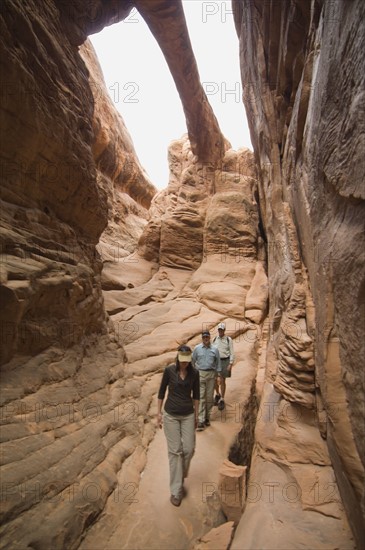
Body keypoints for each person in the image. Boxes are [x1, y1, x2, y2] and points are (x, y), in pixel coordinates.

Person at [157, 345, 200, 507]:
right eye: (182, 361)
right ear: (177, 359)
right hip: (171, 416)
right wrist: (158, 413)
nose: (184, 364)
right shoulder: (169, 371)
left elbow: (196, 395)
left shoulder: (195, 373)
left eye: (187, 361)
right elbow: (161, 392)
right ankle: (176, 490)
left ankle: (180, 474)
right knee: (175, 452)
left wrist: (196, 415)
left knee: (188, 449)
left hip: (188, 414)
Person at [192, 331, 221, 431]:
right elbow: (192, 361)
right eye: (204, 337)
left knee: (209, 398)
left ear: (209, 337)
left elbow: (218, 363)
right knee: (201, 397)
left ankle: (207, 418)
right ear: (202, 338)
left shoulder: (215, 349)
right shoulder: (197, 348)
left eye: (207, 337)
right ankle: (200, 420)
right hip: (200, 374)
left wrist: (219, 376)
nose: (205, 338)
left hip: (211, 374)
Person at [212, 322, 234, 411]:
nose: (220, 331)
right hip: (216, 361)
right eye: (219, 329)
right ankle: (217, 394)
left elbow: (232, 352)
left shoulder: (228, 339)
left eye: (222, 329)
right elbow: (212, 350)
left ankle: (222, 399)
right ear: (218, 330)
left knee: (222, 379)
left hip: (225, 360)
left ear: (224, 330)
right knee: (214, 379)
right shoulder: (215, 339)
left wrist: (231, 363)